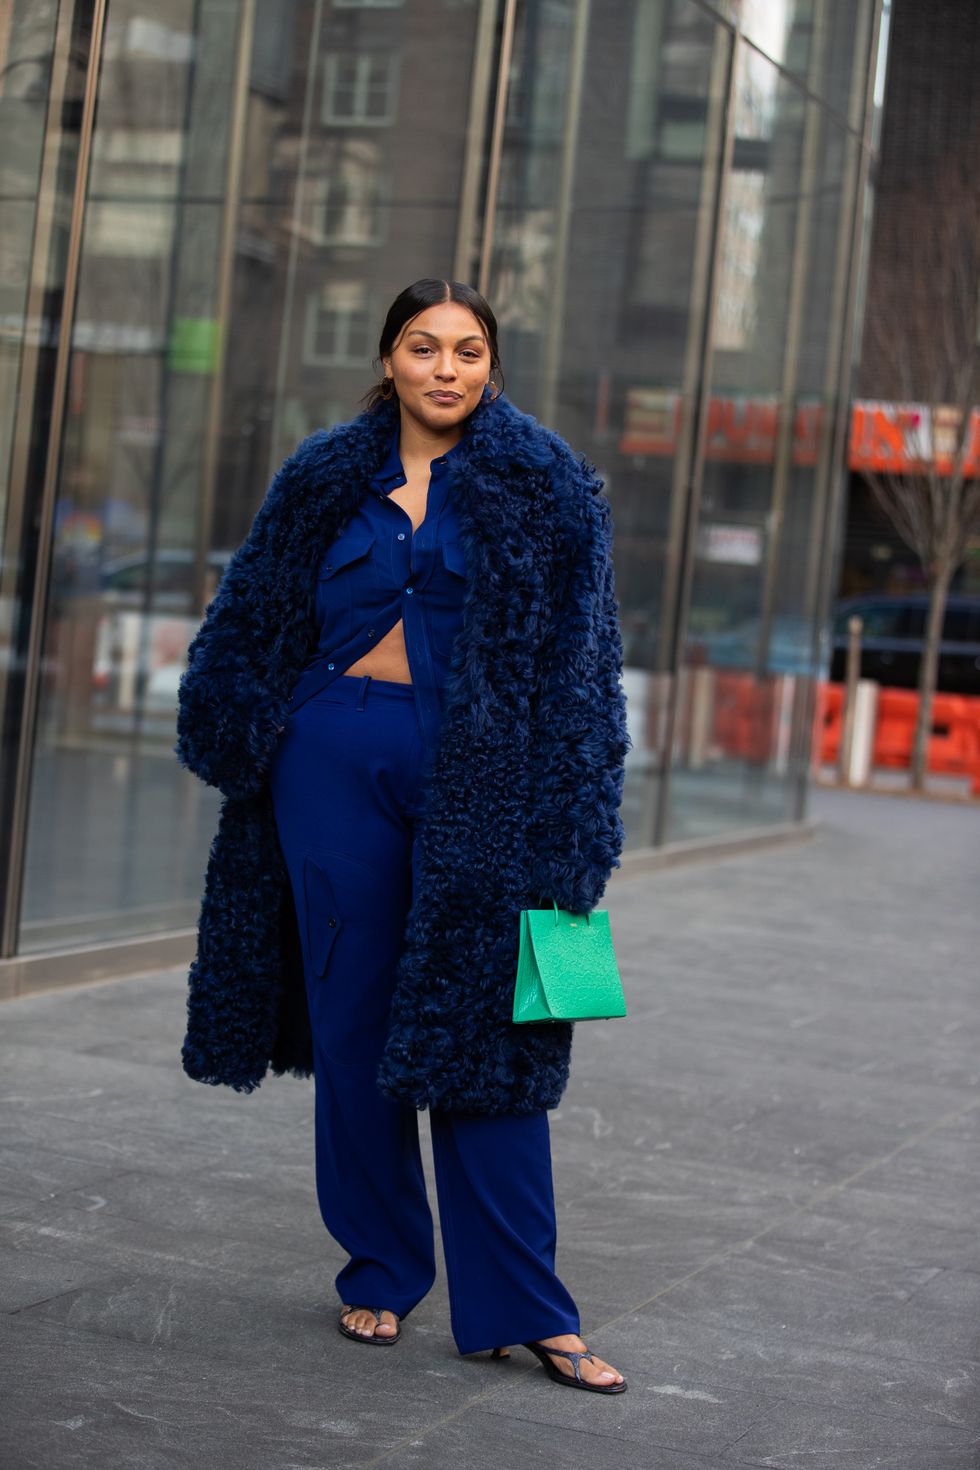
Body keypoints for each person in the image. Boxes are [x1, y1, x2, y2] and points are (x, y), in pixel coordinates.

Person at [175, 278, 631, 1393]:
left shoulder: (549, 487)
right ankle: (378, 1269)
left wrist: (574, 825)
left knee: (490, 1039)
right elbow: (246, 617)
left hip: (482, 780)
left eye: (467, 351)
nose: (445, 369)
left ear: (490, 366)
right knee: (352, 1020)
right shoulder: (323, 476)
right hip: (328, 759)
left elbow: (582, 672)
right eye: (422, 347)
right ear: (387, 360)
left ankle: (531, 1306)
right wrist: (239, 729)